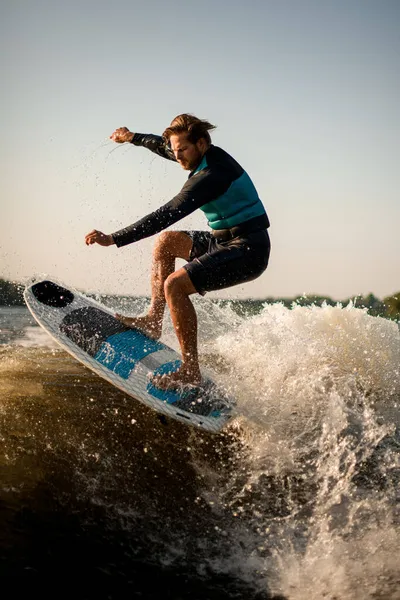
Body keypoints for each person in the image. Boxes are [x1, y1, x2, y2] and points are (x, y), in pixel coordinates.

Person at [85, 114, 271, 390]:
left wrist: (114, 238)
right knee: (166, 243)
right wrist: (131, 137)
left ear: (202, 143)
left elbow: (167, 214)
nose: (176, 155)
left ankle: (190, 371)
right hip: (223, 240)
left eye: (182, 149)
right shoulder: (194, 154)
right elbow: (161, 145)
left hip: (249, 250)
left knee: (175, 285)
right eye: (175, 150)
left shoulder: (212, 175)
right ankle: (152, 320)